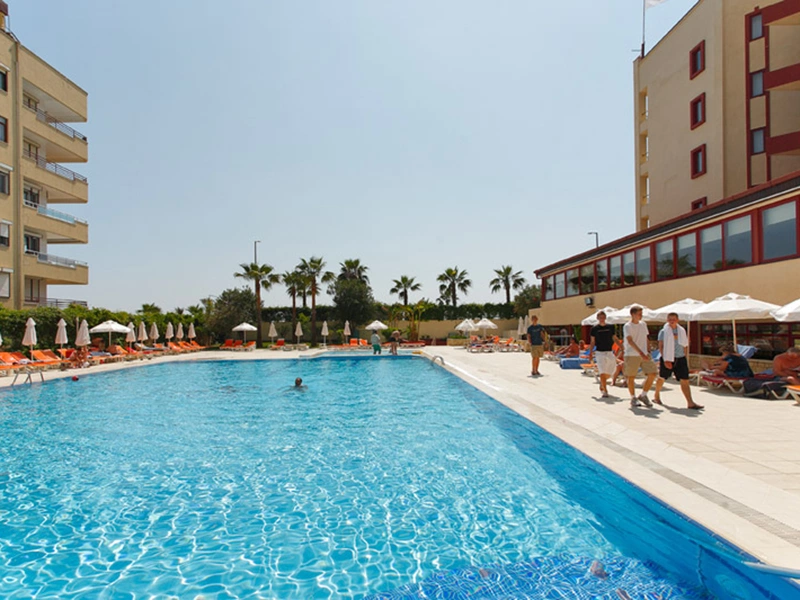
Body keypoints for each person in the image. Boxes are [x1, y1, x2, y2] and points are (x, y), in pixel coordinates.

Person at [653, 313, 704, 410]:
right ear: (667, 320)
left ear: (677, 320)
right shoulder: (663, 331)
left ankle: (690, 402)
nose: (672, 321)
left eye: (673, 319)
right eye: (670, 319)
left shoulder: (682, 331)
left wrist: (685, 357)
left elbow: (685, 345)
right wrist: (665, 359)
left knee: (685, 379)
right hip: (668, 358)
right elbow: (661, 346)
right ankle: (656, 395)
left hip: (680, 358)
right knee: (662, 378)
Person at [624, 306, 657, 408]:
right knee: (631, 377)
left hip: (644, 354)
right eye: (639, 314)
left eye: (641, 314)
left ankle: (643, 395)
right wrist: (641, 353)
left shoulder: (643, 324)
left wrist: (648, 350)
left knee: (653, 373)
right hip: (631, 354)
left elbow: (646, 337)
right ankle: (633, 398)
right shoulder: (627, 326)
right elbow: (630, 341)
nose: (641, 316)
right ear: (633, 314)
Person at [590, 311, 619, 398]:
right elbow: (592, 341)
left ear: (605, 318)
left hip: (609, 351)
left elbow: (615, 338)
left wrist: (621, 346)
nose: (602, 319)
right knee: (602, 371)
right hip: (599, 352)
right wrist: (590, 353)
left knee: (611, 371)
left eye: (603, 317)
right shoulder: (594, 329)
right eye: (600, 317)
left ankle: (602, 383)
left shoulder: (610, 327)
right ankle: (605, 390)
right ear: (597, 318)